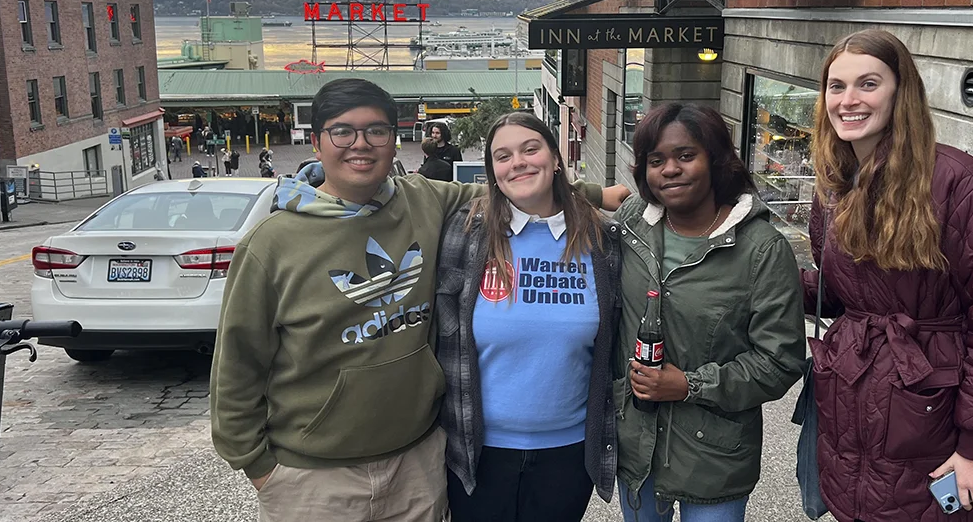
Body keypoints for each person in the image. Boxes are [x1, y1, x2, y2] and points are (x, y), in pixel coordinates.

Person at [210, 78, 628, 522]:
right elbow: (237, 366)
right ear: (316, 144)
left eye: (377, 131)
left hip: (418, 462)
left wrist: (598, 195)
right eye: (342, 131)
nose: (361, 144)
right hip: (313, 476)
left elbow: (518, 185)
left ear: (395, 142)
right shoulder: (269, 244)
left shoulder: (425, 201)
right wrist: (258, 467)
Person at [802, 29, 973, 522]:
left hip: (932, 414)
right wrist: (758, 280)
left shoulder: (959, 183)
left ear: (900, 90)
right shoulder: (834, 186)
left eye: (868, 84)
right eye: (836, 86)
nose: (848, 100)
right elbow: (843, 292)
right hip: (853, 411)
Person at [612, 102, 806, 522]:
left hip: (714, 455)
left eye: (685, 156)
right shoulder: (632, 223)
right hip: (637, 446)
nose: (670, 170)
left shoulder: (762, 250)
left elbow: (780, 361)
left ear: (716, 160)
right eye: (656, 160)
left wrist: (690, 385)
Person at [435, 113, 620, 521]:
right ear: (493, 173)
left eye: (530, 149)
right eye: (503, 156)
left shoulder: (601, 240)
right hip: (477, 451)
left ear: (556, 158)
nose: (517, 162)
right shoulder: (465, 233)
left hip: (568, 453)